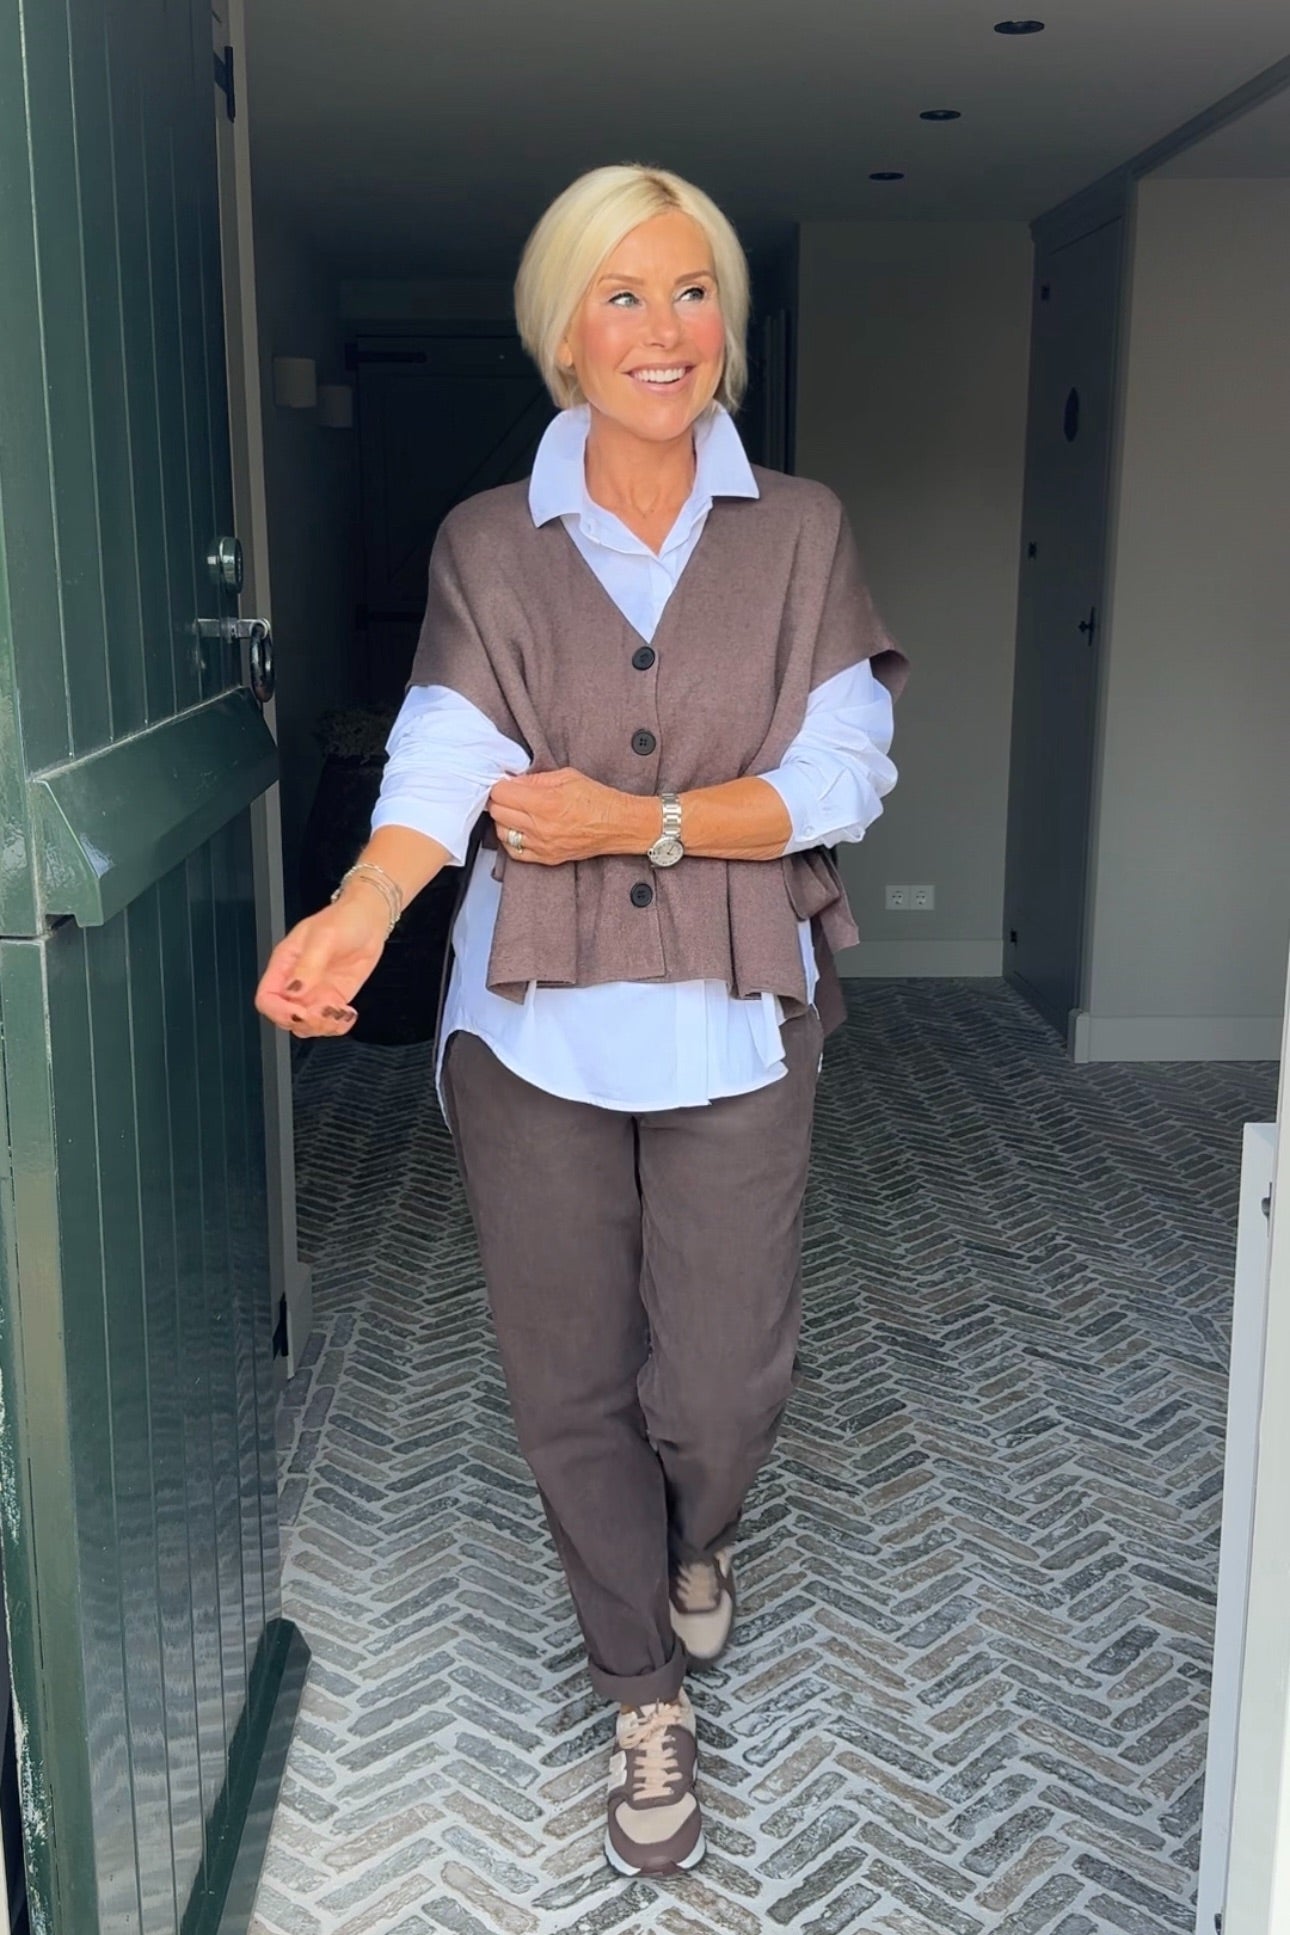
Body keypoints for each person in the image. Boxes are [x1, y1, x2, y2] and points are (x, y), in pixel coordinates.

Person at [255, 162, 908, 1880]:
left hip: (733, 1009)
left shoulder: (800, 529)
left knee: (723, 1381)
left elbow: (845, 773)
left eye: (691, 292)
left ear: (726, 329)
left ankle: (699, 1537)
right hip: (530, 1025)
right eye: (621, 295)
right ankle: (639, 1686)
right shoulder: (489, 540)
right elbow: (444, 755)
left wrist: (648, 822)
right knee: (567, 1382)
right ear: (562, 333)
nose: (662, 329)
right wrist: (363, 907)